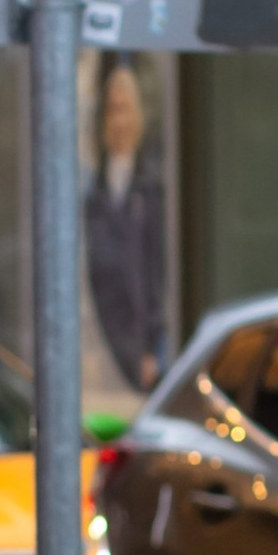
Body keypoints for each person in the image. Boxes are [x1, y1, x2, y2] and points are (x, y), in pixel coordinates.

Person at [83, 56, 169, 396]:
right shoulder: (95, 191)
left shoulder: (150, 188)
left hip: (137, 339)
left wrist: (150, 344)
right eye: (112, 110)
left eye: (125, 108)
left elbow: (155, 271)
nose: (119, 120)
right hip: (102, 334)